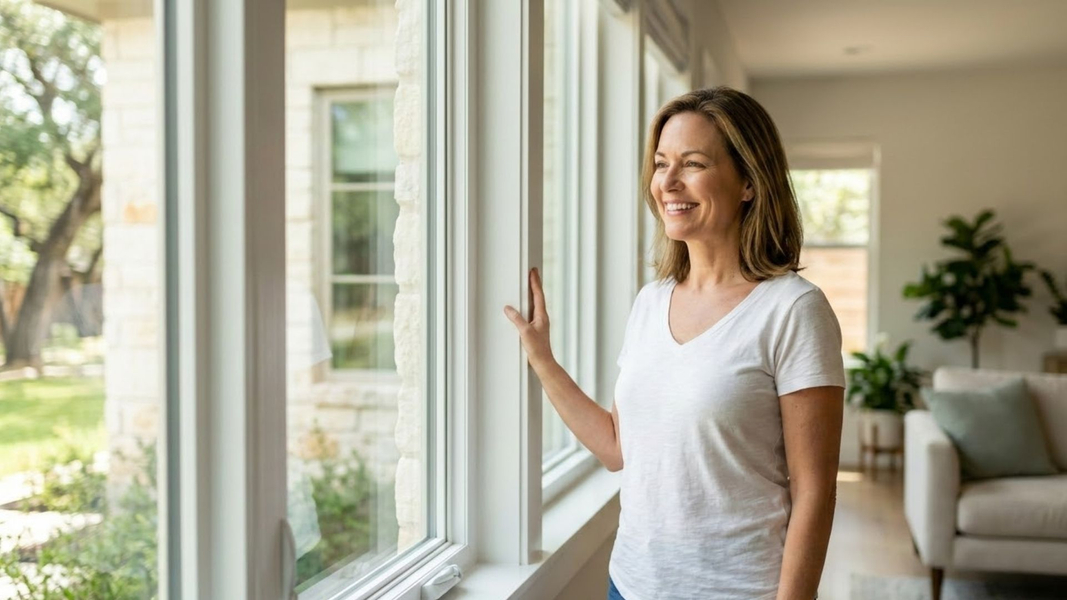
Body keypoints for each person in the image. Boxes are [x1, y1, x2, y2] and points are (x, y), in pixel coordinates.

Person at [503, 86, 844, 600]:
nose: (668, 181)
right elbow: (619, 448)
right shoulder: (650, 301)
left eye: (693, 163)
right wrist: (542, 359)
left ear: (749, 181)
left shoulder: (794, 310)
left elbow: (814, 491)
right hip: (631, 584)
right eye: (661, 163)